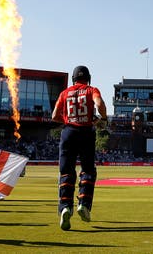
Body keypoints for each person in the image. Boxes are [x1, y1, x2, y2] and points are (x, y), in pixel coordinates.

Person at [52, 65, 107, 231]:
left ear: (73, 79)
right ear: (88, 78)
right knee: (88, 170)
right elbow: (100, 104)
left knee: (66, 172)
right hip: (86, 132)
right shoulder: (91, 90)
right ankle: (83, 204)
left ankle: (65, 207)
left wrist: (70, 119)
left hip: (68, 132)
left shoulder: (64, 93)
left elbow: (54, 116)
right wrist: (102, 118)